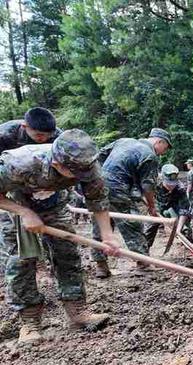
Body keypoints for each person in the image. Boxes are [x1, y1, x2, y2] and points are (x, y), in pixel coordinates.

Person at [0, 129, 120, 344]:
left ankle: (77, 313)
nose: (81, 177)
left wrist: (107, 235)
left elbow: (98, 200)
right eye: (75, 173)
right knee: (21, 260)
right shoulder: (19, 163)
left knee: (67, 254)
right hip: (14, 205)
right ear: (57, 164)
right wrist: (25, 212)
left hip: (54, 205)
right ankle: (29, 322)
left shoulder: (87, 164)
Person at [91, 128, 171, 278]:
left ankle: (100, 266)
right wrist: (152, 207)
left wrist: (100, 176)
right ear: (159, 141)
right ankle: (143, 264)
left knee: (101, 224)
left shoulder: (124, 141)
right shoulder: (150, 156)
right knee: (132, 224)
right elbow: (148, 186)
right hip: (117, 188)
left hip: (96, 186)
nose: (163, 152)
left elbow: (99, 155)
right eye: (164, 148)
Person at [0, 108, 63, 264]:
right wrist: (22, 211)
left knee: (62, 243)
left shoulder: (59, 138)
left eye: (47, 135)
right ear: (24, 126)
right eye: (39, 135)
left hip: (46, 186)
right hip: (9, 184)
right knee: (18, 246)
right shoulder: (4, 136)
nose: (43, 139)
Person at [144, 164, 193, 253]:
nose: (171, 186)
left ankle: (190, 250)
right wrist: (152, 207)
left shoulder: (180, 188)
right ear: (162, 179)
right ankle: (143, 254)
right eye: (168, 184)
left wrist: (177, 230)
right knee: (148, 228)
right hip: (157, 206)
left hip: (175, 207)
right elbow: (145, 195)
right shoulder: (153, 183)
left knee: (185, 227)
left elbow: (184, 209)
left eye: (173, 184)